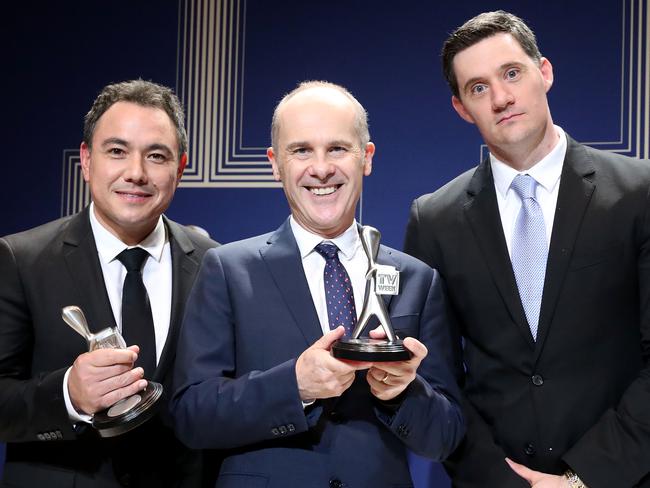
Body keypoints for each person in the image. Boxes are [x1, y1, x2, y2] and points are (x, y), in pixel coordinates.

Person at [171, 81, 464, 487]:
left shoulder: (418, 279)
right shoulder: (227, 269)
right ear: (275, 163)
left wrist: (403, 392)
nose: (321, 168)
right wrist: (294, 385)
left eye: (338, 148)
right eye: (302, 150)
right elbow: (191, 416)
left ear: (367, 158)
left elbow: (446, 436)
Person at [404, 10, 650, 488]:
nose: (500, 98)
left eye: (511, 73)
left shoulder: (639, 193)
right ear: (460, 108)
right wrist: (499, 479)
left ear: (545, 72)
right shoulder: (434, 218)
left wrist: (582, 478)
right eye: (478, 88)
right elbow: (435, 378)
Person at [0, 79, 218, 487]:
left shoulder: (215, 264)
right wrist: (68, 394)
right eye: (117, 151)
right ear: (86, 160)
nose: (135, 173)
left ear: (181, 168)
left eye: (156, 156)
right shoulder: (20, 260)